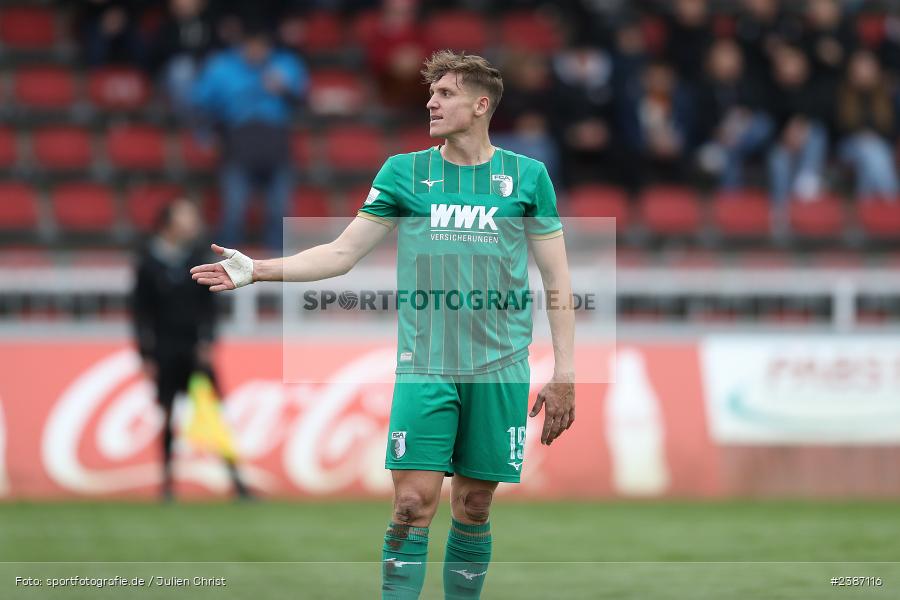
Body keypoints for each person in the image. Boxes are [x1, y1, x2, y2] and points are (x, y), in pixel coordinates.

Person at [191, 50, 576, 599]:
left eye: (445, 93)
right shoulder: (404, 173)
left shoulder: (528, 177)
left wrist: (565, 373)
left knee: (473, 504)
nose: (431, 101)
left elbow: (557, 280)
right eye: (432, 92)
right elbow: (341, 254)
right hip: (426, 367)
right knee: (412, 503)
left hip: (500, 368)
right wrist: (256, 269)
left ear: (481, 104)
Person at [132, 198, 251, 502]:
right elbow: (140, 313)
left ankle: (237, 482)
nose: (193, 223)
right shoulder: (148, 263)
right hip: (164, 350)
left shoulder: (195, 259)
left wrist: (208, 342)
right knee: (169, 414)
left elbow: (210, 307)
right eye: (186, 217)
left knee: (213, 412)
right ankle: (168, 485)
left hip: (195, 351)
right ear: (169, 223)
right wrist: (145, 355)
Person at [191, 22, 307, 252]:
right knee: (234, 210)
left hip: (275, 146)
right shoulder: (221, 67)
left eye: (262, 45)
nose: (257, 50)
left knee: (279, 211)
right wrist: (207, 134)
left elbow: (304, 99)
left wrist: (284, 88)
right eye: (252, 45)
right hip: (238, 146)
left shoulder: (286, 64)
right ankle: (225, 265)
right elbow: (198, 103)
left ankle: (279, 267)